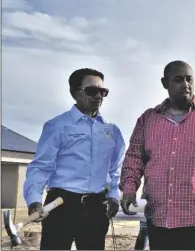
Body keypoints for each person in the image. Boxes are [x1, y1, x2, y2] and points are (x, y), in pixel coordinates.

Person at [119, 60, 195, 250]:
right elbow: (134, 158)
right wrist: (129, 189)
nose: (185, 84)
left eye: (189, 79)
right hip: (160, 221)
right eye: (178, 79)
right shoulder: (148, 119)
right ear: (164, 83)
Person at [23, 68, 125, 250]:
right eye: (92, 91)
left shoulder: (112, 130)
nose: (99, 96)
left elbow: (116, 169)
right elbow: (41, 167)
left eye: (103, 92)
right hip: (60, 205)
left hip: (96, 208)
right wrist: (34, 199)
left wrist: (113, 195)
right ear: (75, 92)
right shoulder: (57, 126)